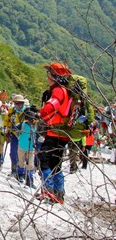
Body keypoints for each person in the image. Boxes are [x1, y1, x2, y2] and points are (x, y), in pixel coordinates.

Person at [37, 62, 75, 203]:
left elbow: (52, 105)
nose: (47, 76)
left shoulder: (58, 90)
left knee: (44, 160)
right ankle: (59, 194)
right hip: (62, 132)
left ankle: (49, 191)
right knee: (55, 164)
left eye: (49, 73)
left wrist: (39, 113)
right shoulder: (65, 90)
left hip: (55, 132)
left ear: (53, 76)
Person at [5, 94, 27, 177]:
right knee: (13, 152)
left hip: (24, 135)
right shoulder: (11, 110)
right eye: (16, 103)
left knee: (22, 153)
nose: (18, 105)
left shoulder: (26, 112)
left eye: (20, 103)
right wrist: (6, 128)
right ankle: (14, 169)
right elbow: (6, 120)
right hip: (14, 134)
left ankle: (21, 170)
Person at [17, 107, 39, 187]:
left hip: (31, 147)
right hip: (22, 145)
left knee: (30, 164)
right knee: (21, 162)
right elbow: (15, 127)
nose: (31, 121)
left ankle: (29, 181)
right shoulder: (22, 124)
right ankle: (20, 175)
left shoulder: (35, 126)